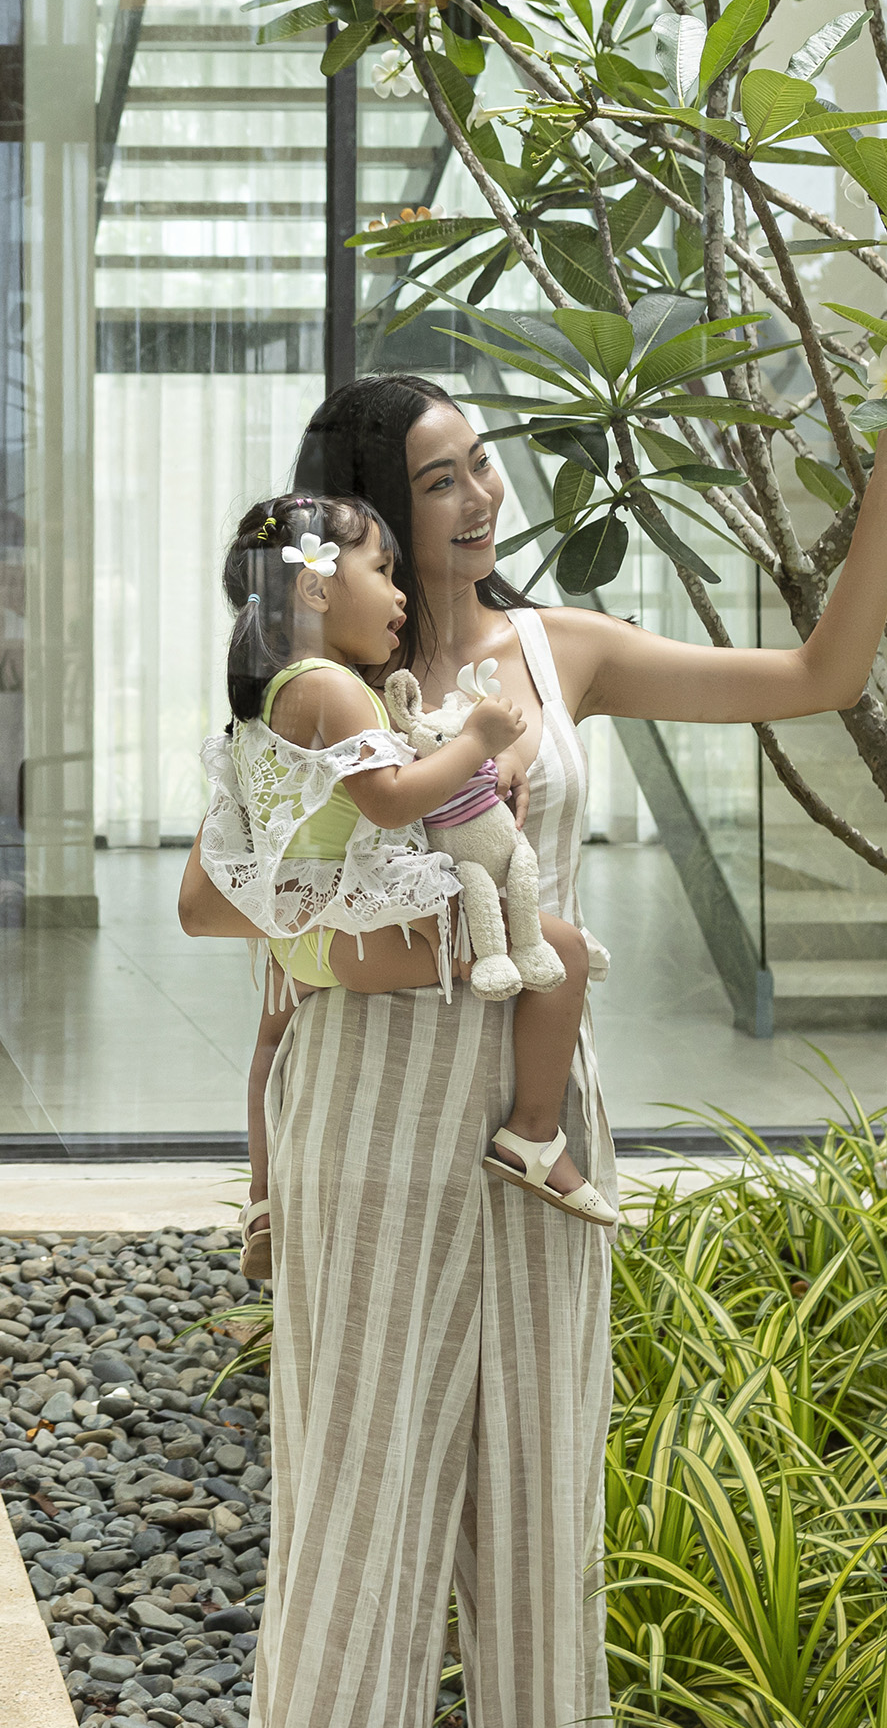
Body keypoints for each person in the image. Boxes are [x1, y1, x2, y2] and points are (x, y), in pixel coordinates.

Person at [188, 370, 887, 1728]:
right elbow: (207, 894)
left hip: (539, 1120)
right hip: (366, 1104)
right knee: (363, 1473)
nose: (480, 496)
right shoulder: (317, 690)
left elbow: (813, 678)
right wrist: (376, 956)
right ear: (351, 518)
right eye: (435, 479)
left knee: (541, 1474)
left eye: (480, 465)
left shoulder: (559, 652)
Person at [201, 492, 614, 1292]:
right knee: (557, 948)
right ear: (317, 589)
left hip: (304, 937)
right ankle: (533, 1134)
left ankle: (260, 1200)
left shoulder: (268, 693)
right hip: (361, 928)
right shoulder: (335, 687)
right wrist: (479, 743)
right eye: (383, 570)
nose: (399, 596)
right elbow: (391, 799)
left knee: (266, 1045)